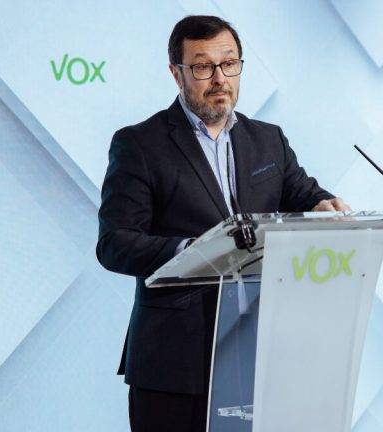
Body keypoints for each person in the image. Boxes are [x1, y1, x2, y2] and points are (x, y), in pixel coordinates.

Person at [96, 15, 349, 432]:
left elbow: (301, 191)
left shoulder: (268, 139)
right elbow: (114, 244)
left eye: (229, 64)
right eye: (202, 66)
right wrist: (193, 250)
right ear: (176, 73)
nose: (219, 78)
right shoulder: (139, 144)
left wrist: (323, 204)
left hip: (260, 352)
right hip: (174, 362)